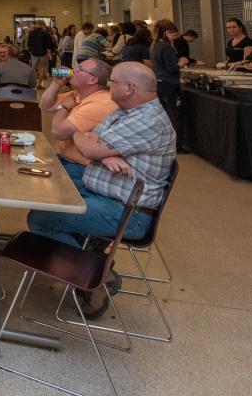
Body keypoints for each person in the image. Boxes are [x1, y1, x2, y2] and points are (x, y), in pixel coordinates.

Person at [26, 63, 176, 317]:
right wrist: (100, 151)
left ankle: (99, 274)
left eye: (114, 82)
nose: (109, 86)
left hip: (128, 212)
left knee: (41, 218)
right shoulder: (126, 111)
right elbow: (93, 140)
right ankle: (88, 260)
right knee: (48, 196)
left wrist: (94, 147)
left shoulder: (147, 120)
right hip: (107, 195)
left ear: (129, 88)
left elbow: (89, 144)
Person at [39, 59, 117, 182]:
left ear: (93, 80)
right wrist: (57, 83)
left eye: (79, 69)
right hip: (69, 159)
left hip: (84, 168)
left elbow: (58, 132)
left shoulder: (100, 104)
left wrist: (64, 108)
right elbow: (46, 106)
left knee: (39, 182)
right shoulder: (79, 93)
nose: (73, 70)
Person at [151, 19, 183, 148]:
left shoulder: (155, 45)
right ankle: (175, 144)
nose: (175, 38)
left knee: (163, 113)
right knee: (173, 114)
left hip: (159, 82)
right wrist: (182, 62)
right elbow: (171, 68)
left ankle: (163, 141)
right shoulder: (166, 46)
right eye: (174, 35)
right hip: (170, 84)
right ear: (167, 32)